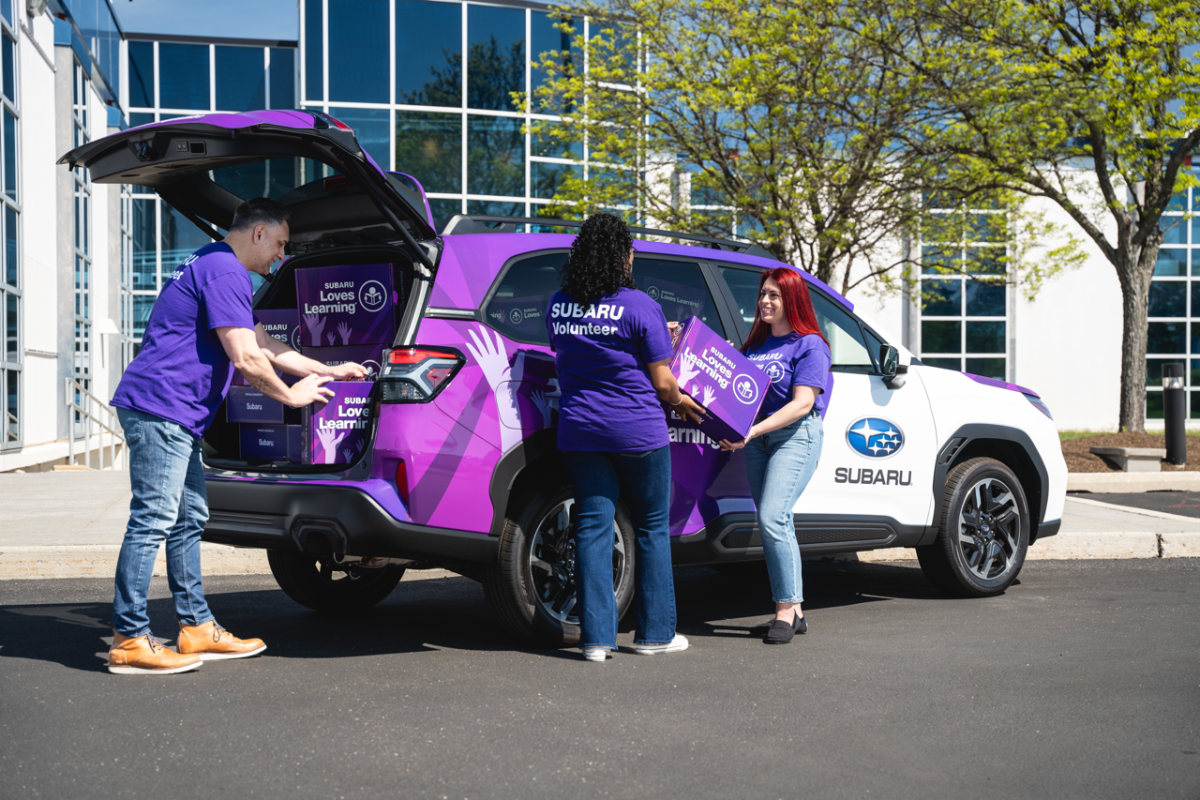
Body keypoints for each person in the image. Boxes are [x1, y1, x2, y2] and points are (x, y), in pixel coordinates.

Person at [107, 197, 367, 675]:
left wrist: (328, 369)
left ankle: (197, 628)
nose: (281, 257)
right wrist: (293, 398)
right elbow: (246, 358)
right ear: (259, 233)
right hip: (161, 407)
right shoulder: (225, 271)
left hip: (175, 412)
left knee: (189, 519)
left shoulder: (214, 263)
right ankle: (129, 637)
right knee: (154, 519)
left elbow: (263, 343)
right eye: (281, 244)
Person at [546, 213, 705, 662]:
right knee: (653, 527)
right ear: (625, 257)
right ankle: (656, 635)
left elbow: (577, 352)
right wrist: (684, 404)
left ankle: (595, 640)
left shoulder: (559, 303)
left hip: (580, 431)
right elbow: (663, 383)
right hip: (638, 431)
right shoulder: (639, 305)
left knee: (593, 529)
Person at [718, 267, 831, 645]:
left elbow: (802, 404)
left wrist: (750, 431)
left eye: (774, 296)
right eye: (763, 294)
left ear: (792, 301)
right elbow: (724, 384)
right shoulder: (754, 347)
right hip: (760, 440)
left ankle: (785, 609)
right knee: (777, 523)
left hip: (795, 436)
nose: (764, 301)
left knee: (772, 517)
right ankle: (794, 612)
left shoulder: (810, 344)